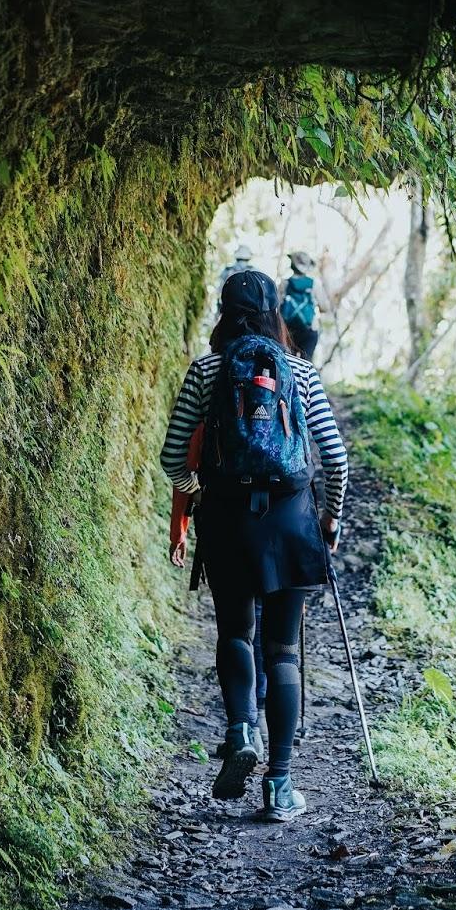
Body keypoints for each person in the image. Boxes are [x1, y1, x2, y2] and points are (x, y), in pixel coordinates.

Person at [160, 270, 349, 822]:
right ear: (275, 313)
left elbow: (173, 458)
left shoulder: (207, 370)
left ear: (223, 311)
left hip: (227, 519)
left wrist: (202, 494)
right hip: (291, 519)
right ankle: (279, 786)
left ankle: (241, 728)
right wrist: (331, 516)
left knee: (235, 633)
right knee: (283, 649)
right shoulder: (301, 372)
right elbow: (335, 458)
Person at [281, 251, 324, 361]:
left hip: (288, 330)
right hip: (309, 329)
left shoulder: (284, 283)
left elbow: (276, 305)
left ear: (292, 264)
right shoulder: (314, 284)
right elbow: (325, 307)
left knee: (288, 361)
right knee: (306, 362)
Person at [214, 244, 255, 308]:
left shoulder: (227, 270)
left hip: (229, 305)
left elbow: (220, 289)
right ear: (248, 258)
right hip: (248, 307)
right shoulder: (254, 271)